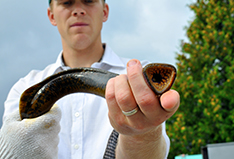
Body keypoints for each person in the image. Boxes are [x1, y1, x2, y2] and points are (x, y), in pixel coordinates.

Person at [0, 0, 180, 158]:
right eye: (67, 2)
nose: (78, 10)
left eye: (88, 0)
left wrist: (144, 134)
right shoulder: (24, 87)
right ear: (51, 15)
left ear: (105, 12)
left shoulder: (137, 78)